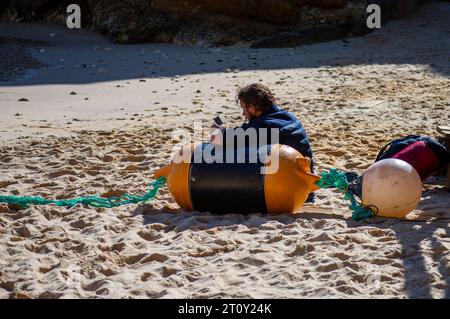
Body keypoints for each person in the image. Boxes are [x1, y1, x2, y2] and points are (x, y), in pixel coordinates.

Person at [211, 83, 315, 202]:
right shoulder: (286, 116)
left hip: (293, 194)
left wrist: (219, 132)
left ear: (252, 107)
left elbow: (226, 139)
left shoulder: (264, 125)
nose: (243, 113)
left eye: (244, 108)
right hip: (304, 191)